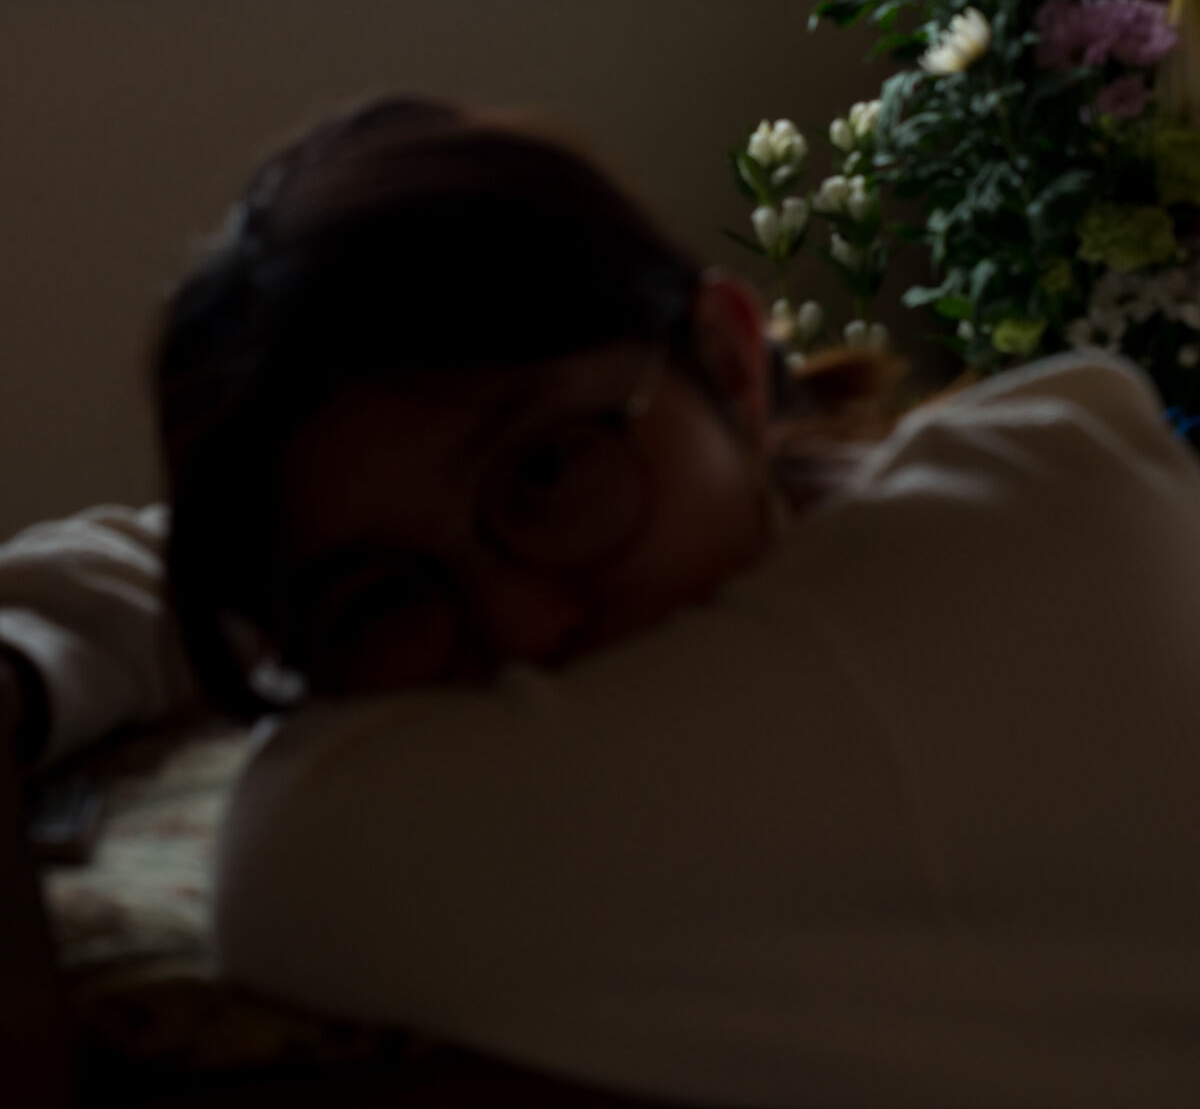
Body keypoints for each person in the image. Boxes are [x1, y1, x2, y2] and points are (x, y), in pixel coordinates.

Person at [4, 92, 1200, 1107]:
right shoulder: (1040, 460)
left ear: (728, 362)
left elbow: (291, 856)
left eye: (543, 471)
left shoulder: (986, 593)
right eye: (382, 595)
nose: (525, 627)